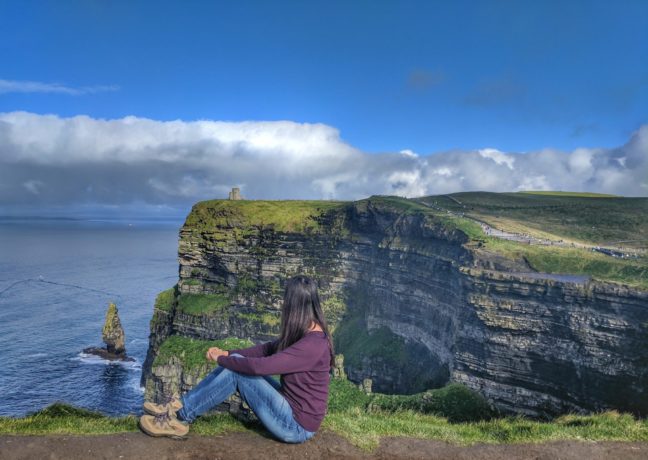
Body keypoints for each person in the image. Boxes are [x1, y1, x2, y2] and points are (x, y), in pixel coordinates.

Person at [139, 275, 335, 443]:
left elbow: (261, 367)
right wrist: (228, 353)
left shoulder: (312, 345)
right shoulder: (306, 331)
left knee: (237, 373)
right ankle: (180, 405)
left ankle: (180, 419)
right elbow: (267, 349)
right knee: (238, 361)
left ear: (294, 305)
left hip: (296, 426)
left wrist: (221, 360)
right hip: (290, 407)